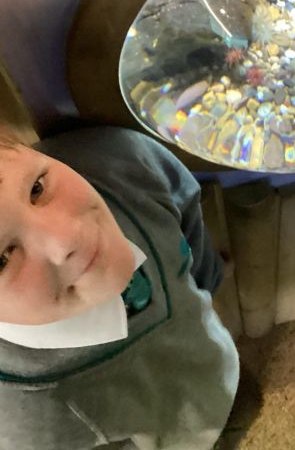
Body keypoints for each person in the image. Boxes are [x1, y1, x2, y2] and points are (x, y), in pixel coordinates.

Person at [0, 124, 239, 448]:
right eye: (2, 258)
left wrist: (209, 279)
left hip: (218, 365)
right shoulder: (23, 424)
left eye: (37, 188)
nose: (67, 236)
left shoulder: (120, 160)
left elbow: (187, 216)